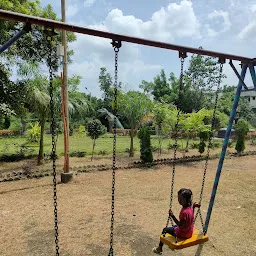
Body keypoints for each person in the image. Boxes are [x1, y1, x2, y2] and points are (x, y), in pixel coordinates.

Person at [152, 188, 200, 255]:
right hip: (189, 231)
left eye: (181, 199)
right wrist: (194, 206)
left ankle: (159, 249)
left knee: (165, 230)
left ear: (187, 199)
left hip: (183, 234)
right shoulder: (190, 207)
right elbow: (191, 214)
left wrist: (172, 216)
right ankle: (170, 246)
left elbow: (180, 224)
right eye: (178, 198)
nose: (179, 200)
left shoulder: (184, 212)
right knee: (174, 226)